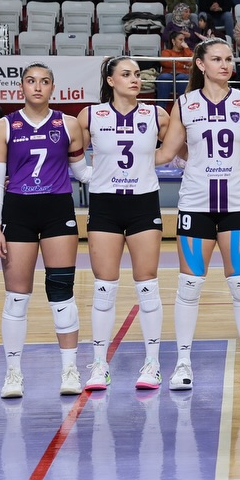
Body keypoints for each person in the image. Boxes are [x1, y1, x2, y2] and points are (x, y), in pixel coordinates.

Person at [154, 38, 240, 391]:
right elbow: (167, 153)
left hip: (237, 204)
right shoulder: (185, 104)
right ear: (201, 64)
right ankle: (183, 363)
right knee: (189, 285)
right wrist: (112, 164)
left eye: (229, 59)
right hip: (195, 205)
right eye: (217, 59)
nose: (225, 65)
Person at [0, 63, 88, 398]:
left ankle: (69, 370)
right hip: (19, 212)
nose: (38, 87)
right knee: (16, 298)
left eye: (44, 81)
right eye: (31, 81)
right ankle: (13, 374)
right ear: (22, 87)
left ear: (53, 87)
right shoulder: (4, 126)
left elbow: (83, 173)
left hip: (58, 210)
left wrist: (130, 172)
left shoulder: (68, 124)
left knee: (62, 292)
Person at [74, 57, 173, 391]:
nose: (135, 80)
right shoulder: (90, 115)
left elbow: (176, 151)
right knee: (104, 288)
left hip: (143, 203)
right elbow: (72, 153)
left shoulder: (156, 115)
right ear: (110, 80)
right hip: (105, 205)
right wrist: (89, 175)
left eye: (138, 75)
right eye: (127, 74)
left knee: (147, 285)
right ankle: (99, 365)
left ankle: (152, 364)